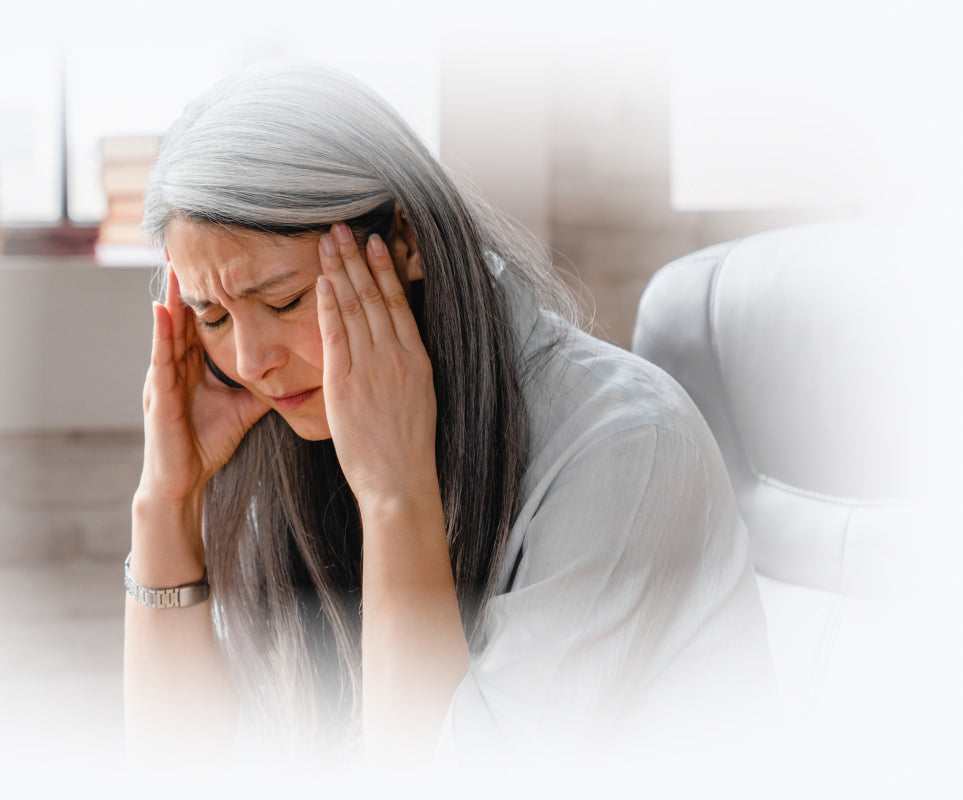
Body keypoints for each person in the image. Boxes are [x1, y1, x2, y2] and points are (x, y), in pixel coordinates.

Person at [123, 59, 772, 766]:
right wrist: (168, 502)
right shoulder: (294, 421)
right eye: (212, 315)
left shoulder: (625, 447)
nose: (251, 360)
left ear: (404, 241)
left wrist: (395, 493)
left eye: (283, 301)